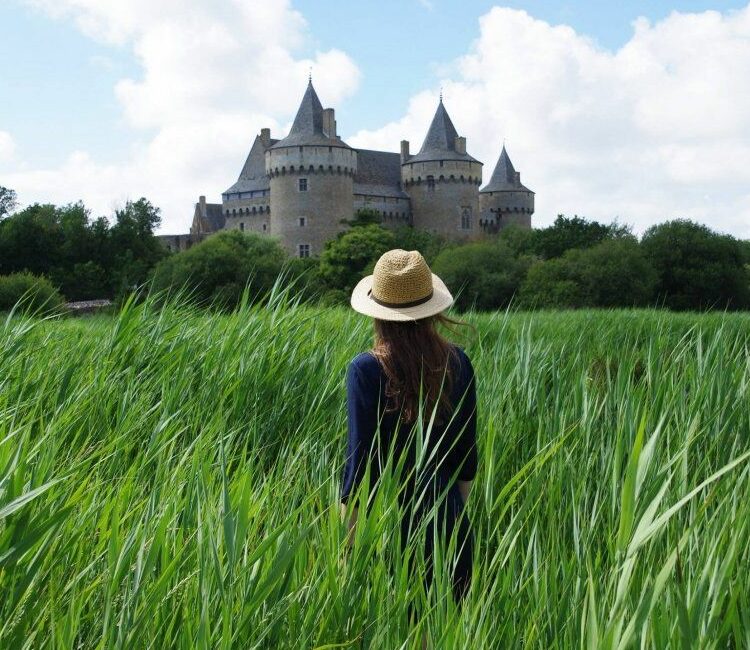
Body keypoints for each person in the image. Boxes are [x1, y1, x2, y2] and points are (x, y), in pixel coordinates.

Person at [340, 248, 478, 612]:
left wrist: (346, 552)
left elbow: (359, 472)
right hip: (450, 527)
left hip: (390, 529)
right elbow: (466, 462)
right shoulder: (458, 362)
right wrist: (449, 520)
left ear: (379, 314)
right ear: (432, 309)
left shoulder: (366, 370)